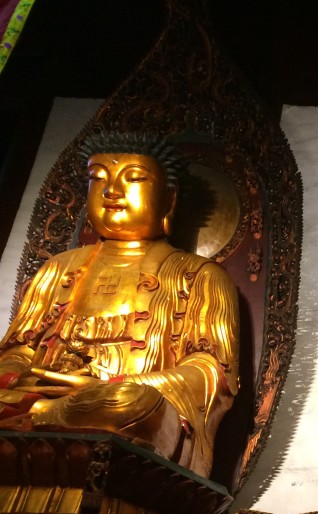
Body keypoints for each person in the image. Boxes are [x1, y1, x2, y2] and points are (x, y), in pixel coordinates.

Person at [0, 132, 240, 477]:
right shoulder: (58, 268)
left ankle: (39, 418)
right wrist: (23, 378)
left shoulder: (199, 275)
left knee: (129, 405)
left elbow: (210, 374)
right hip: (42, 393)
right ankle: (42, 414)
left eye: (135, 179)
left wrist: (114, 386)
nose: (111, 192)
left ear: (168, 200)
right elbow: (18, 350)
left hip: (122, 407)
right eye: (98, 179)